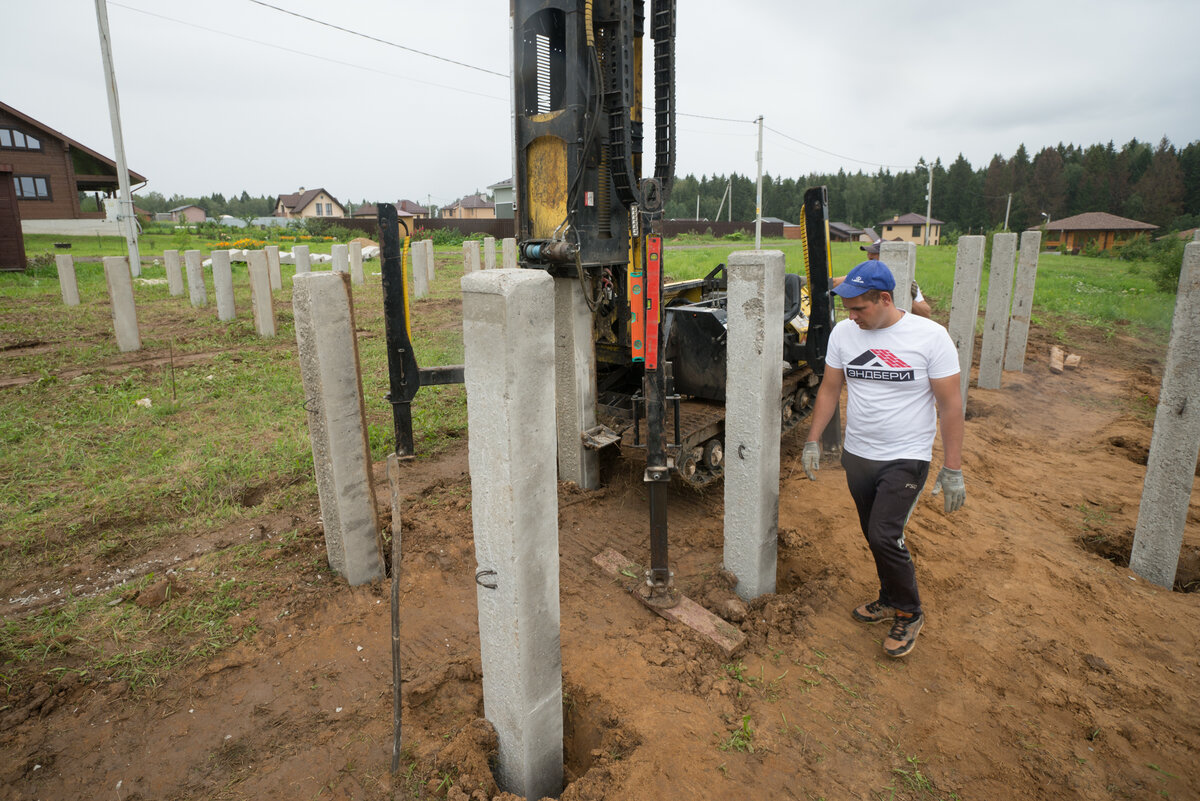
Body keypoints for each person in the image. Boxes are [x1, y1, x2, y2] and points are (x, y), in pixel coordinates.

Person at [801, 259, 965, 658]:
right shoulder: (845, 333)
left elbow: (950, 405)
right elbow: (829, 389)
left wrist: (953, 467)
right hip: (859, 455)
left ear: (885, 299)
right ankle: (888, 596)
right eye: (848, 309)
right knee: (873, 533)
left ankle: (909, 612)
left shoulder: (930, 337)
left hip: (905, 457)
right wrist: (812, 440)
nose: (851, 316)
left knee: (884, 534)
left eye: (859, 308)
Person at [830, 240, 932, 318]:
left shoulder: (906, 282)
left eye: (873, 258)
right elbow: (834, 282)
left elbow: (926, 313)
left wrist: (910, 299)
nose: (869, 260)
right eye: (868, 256)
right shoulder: (864, 276)